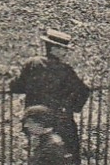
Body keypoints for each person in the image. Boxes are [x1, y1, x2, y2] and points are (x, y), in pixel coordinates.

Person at [10, 29, 90, 157]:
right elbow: (83, 91)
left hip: (35, 121)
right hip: (59, 121)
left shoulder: (32, 64)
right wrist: (71, 107)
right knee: (64, 154)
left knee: (38, 154)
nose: (65, 52)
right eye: (63, 49)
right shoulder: (64, 69)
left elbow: (16, 86)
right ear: (54, 49)